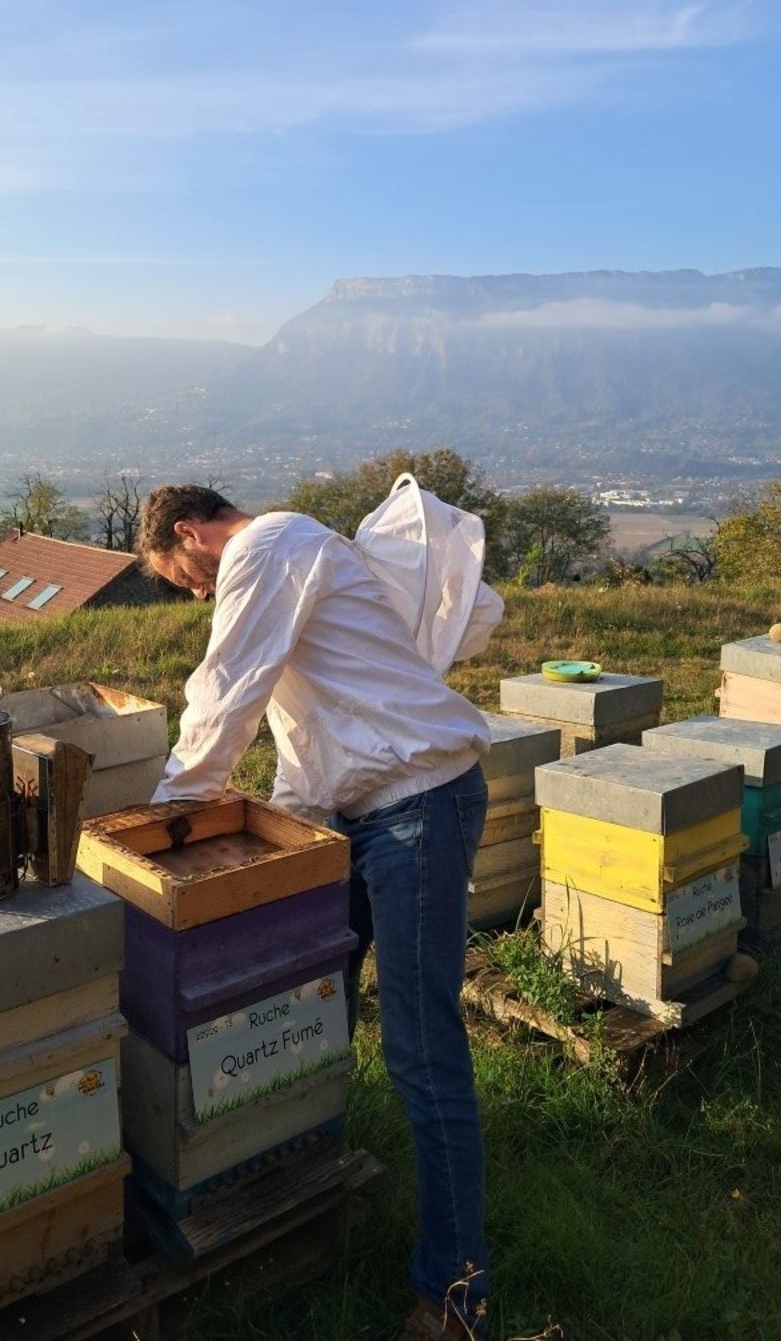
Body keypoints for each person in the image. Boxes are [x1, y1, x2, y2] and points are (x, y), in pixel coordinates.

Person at [138, 483, 502, 1340]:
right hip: (364, 813)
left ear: (191, 532)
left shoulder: (265, 546)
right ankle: (292, 1173)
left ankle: (458, 1295)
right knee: (310, 998)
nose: (194, 593)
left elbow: (227, 694)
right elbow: (307, 731)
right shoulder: (293, 554)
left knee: (421, 1048)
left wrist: (158, 821)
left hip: (418, 804)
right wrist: (285, 837)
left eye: (181, 575)